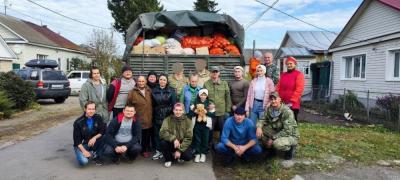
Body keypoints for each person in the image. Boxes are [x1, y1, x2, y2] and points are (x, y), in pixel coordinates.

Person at [256, 92, 299, 160]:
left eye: (275, 99)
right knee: (259, 132)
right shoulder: (269, 109)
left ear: (280, 99)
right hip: (277, 131)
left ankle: (290, 148)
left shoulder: (287, 112)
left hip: (290, 135)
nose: (273, 101)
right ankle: (271, 151)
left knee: (277, 144)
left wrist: (273, 138)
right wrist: (259, 127)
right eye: (271, 99)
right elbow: (262, 119)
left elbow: (287, 131)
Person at [151, 73, 177, 160]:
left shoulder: (171, 90)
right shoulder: (153, 90)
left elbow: (174, 104)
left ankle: (165, 151)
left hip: (168, 116)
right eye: (161, 79)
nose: (162, 81)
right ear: (158, 80)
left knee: (166, 134)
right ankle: (158, 151)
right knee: (157, 134)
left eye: (164, 80)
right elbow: (152, 104)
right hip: (157, 115)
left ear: (167, 81)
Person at [159, 103, 193, 167]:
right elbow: (162, 132)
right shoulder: (167, 119)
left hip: (182, 143)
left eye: (180, 110)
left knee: (188, 156)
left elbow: (189, 138)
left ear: (183, 111)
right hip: (171, 142)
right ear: (173, 110)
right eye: (176, 110)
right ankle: (168, 159)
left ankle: (177, 155)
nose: (178, 112)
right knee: (163, 142)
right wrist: (174, 139)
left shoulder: (188, 121)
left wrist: (180, 150)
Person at [73, 101, 106, 166]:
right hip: (82, 145)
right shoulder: (78, 122)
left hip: (93, 142)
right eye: (89, 109)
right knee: (84, 161)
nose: (91, 111)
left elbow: (102, 131)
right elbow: (77, 141)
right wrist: (84, 151)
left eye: (93, 109)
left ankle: (97, 155)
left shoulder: (98, 117)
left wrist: (94, 138)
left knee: (105, 136)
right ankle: (85, 153)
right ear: (85, 109)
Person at [127, 76, 153, 158]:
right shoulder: (132, 92)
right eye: (139, 81)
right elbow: (128, 105)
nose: (141, 83)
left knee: (146, 136)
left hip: (148, 117)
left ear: (145, 82)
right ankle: (135, 150)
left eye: (143, 81)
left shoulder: (149, 91)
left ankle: (144, 150)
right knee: (136, 135)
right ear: (137, 82)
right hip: (137, 118)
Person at [203, 66, 231, 137]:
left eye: (216, 72)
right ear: (210, 73)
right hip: (211, 111)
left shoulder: (224, 83)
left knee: (223, 129)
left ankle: (223, 145)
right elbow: (203, 98)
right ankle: (210, 146)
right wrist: (208, 105)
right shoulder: (206, 84)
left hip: (222, 111)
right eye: (213, 72)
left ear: (219, 73)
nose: (215, 73)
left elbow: (227, 97)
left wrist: (227, 111)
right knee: (210, 129)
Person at [276, 56, 305, 122]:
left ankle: (294, 132)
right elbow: (278, 87)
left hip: (293, 104)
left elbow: (299, 89)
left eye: (291, 64)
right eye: (287, 64)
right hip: (282, 102)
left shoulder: (298, 74)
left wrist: (292, 101)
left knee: (292, 121)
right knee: (282, 120)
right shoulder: (283, 75)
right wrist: (277, 97)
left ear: (295, 64)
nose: (289, 65)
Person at [189, 89, 215, 163]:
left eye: (205, 95)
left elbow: (213, 114)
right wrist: (195, 112)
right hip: (197, 124)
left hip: (206, 125)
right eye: (201, 95)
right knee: (197, 139)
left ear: (207, 96)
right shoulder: (195, 103)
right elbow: (191, 114)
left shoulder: (210, 104)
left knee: (205, 139)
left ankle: (203, 153)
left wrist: (206, 112)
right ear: (199, 95)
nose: (203, 96)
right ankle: (197, 153)